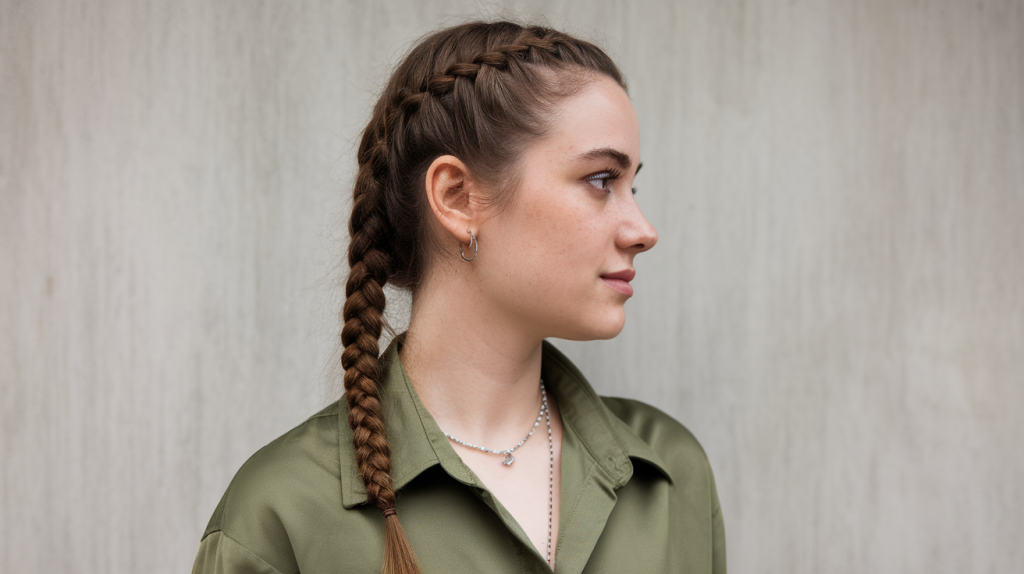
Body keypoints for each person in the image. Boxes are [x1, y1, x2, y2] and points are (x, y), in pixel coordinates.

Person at [192, 20, 725, 574]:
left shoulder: (671, 475)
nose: (643, 229)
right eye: (600, 179)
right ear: (456, 196)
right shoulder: (281, 514)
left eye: (631, 186)